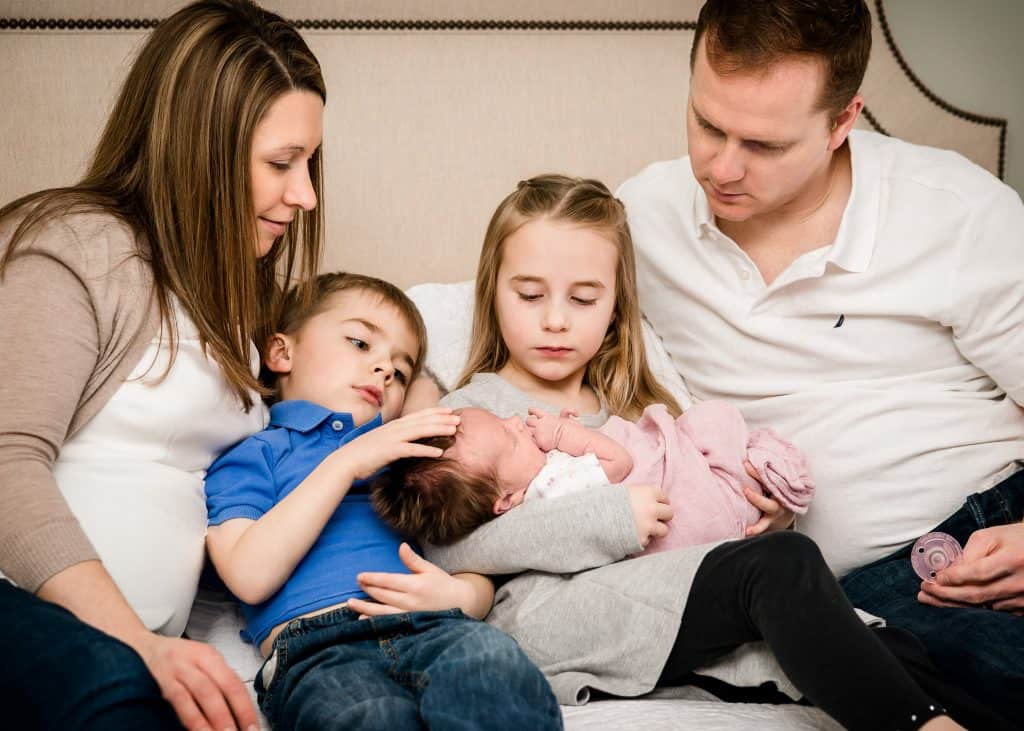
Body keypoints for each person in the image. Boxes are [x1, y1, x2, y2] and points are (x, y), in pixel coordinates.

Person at [356, 174, 1013, 730]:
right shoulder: (476, 410)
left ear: (615, 308)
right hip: (562, 618)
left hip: (680, 599)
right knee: (780, 568)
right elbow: (438, 537)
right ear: (491, 291)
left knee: (893, 642)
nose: (555, 319)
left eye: (583, 298)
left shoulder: (640, 401)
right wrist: (609, 517)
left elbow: (709, 487)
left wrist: (760, 507)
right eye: (529, 295)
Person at [615, 0, 1024, 720]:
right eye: (707, 124)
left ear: (844, 122)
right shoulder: (638, 222)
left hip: (994, 522)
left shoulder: (954, 210)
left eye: (764, 145)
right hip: (847, 599)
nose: (721, 165)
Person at [0, 2, 326, 729]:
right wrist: (137, 644)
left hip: (136, 650)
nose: (304, 195)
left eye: (309, 164)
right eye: (281, 163)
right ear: (201, 150)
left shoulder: (246, 303)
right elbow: (5, 462)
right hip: (44, 621)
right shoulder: (79, 249)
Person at [203, 272, 562, 730]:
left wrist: (463, 596)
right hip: (316, 650)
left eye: (401, 369)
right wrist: (347, 462)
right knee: (369, 718)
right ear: (281, 352)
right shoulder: (254, 454)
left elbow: (473, 553)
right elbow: (248, 576)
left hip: (435, 628)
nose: (385, 370)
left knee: (492, 662)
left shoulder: (405, 457)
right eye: (359, 343)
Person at [374, 401, 813, 547]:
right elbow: (617, 464)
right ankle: (766, 472)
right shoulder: (548, 489)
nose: (515, 424)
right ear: (504, 500)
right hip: (679, 498)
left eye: (505, 420)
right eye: (511, 440)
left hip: (682, 487)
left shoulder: (539, 479)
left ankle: (757, 477)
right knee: (715, 418)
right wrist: (566, 433)